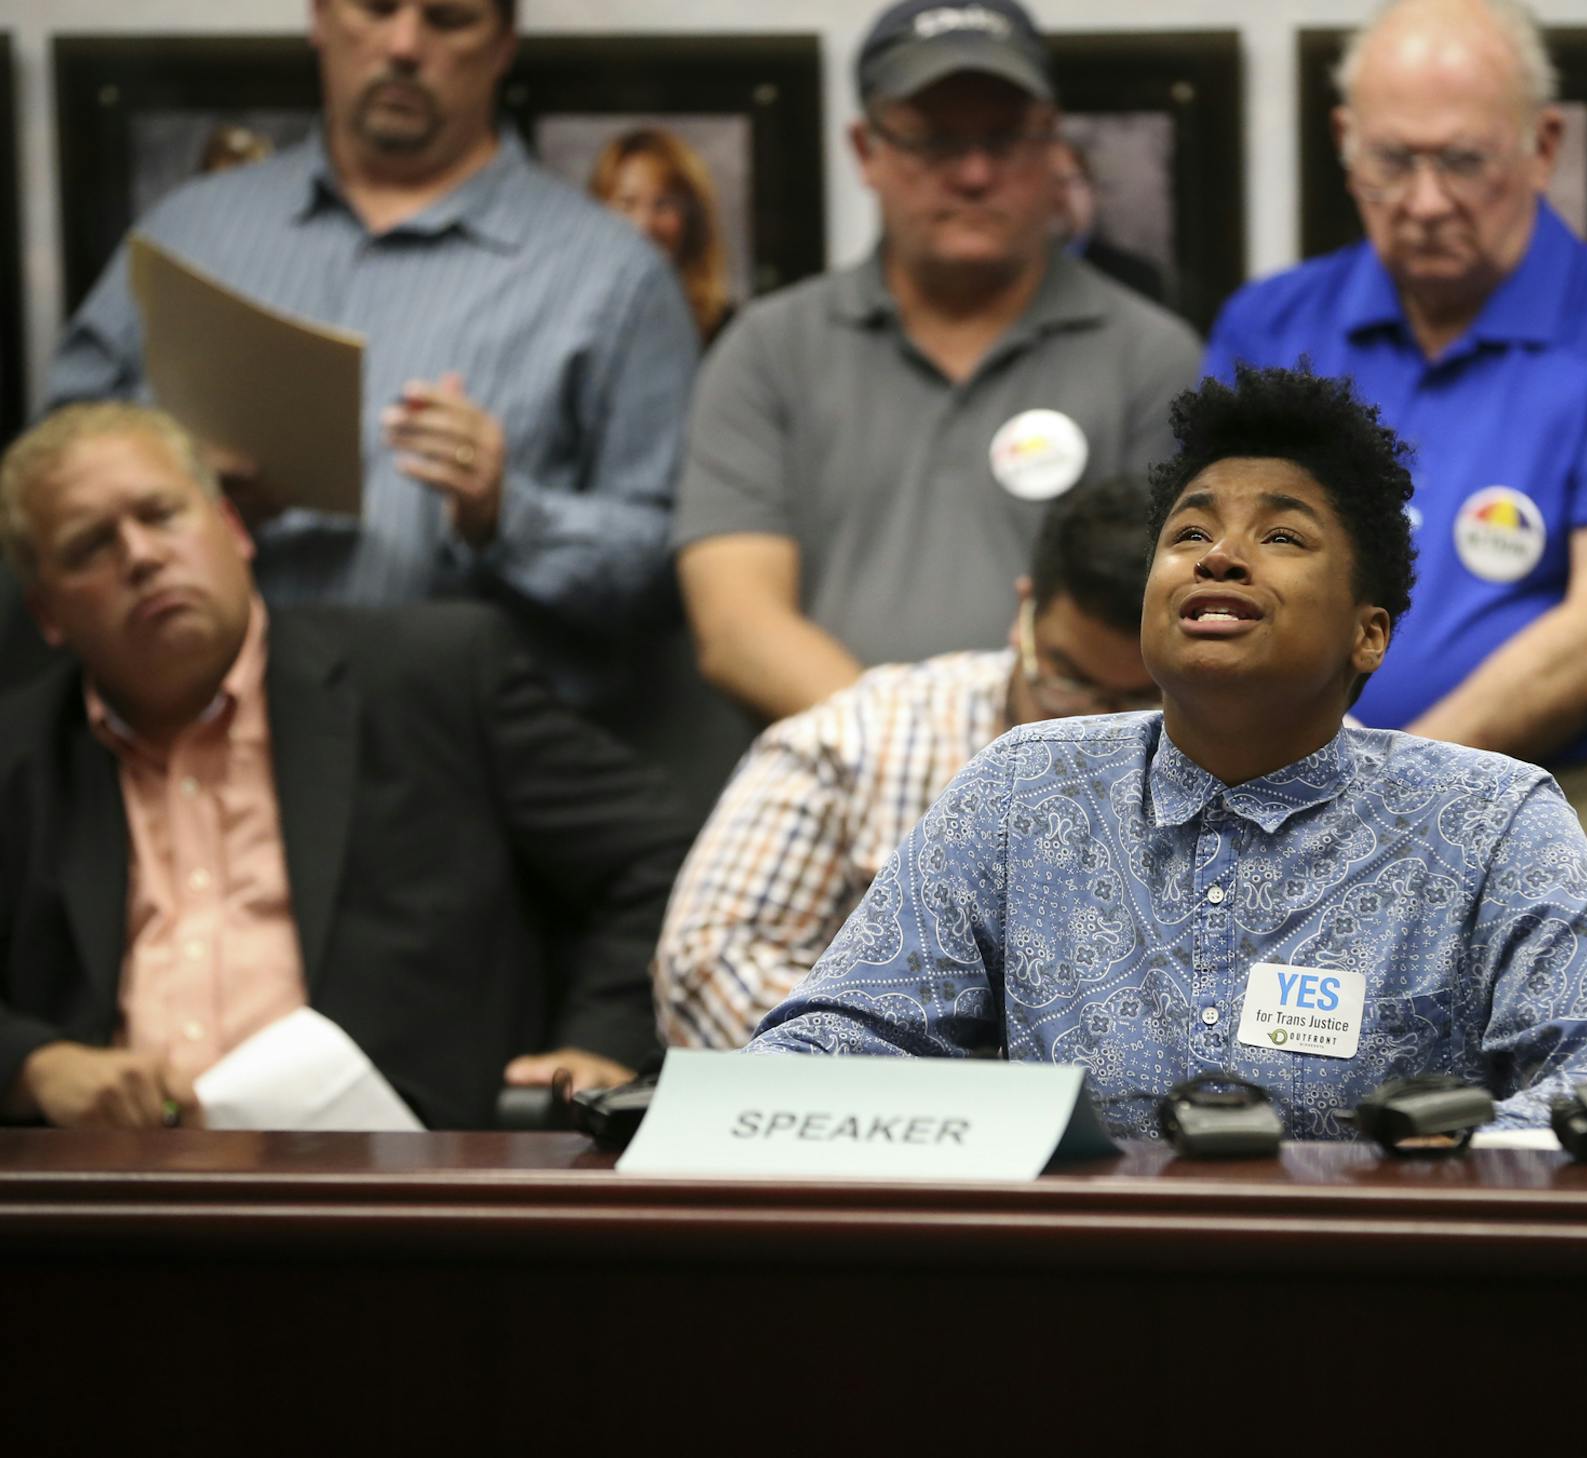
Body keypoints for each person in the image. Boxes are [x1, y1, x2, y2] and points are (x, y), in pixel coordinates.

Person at [747, 365, 1587, 1139]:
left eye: (1283, 537)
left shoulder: (1491, 817)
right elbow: (843, 1031)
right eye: (1191, 531)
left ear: (1368, 634)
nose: (1218, 556)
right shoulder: (1025, 787)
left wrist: (1424, 1170)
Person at [0, 403, 700, 1130]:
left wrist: (595, 1045)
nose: (140, 556)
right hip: (104, 1194)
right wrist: (30, 1064)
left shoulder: (433, 674)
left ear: (233, 530)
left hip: (401, 1181)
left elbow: (666, 857)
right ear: (47, 612)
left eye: (161, 514)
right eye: (90, 547)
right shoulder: (18, 754)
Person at [45, 0, 699, 711]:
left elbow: (671, 573)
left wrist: (505, 516)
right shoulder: (188, 234)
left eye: (450, 19)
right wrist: (166, 485)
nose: (406, 45)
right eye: (376, 8)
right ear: (320, 17)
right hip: (198, 742)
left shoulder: (615, 276)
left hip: (469, 756)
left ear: (504, 45)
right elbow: (44, 487)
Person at [1202, 0, 1587, 832]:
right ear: (1345, 142)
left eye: (1462, 161)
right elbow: (1220, 576)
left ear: (1543, 147)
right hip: (1276, 801)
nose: (1424, 201)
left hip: (1554, 804)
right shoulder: (1271, 326)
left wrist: (1377, 789)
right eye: (1390, 162)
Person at [673, 0, 1201, 726]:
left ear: (1053, 150)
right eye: (935, 142)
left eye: (1007, 138)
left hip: (1077, 792)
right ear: (866, 151)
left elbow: (1169, 623)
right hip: (834, 782)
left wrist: (1008, 777)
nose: (975, 173)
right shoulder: (768, 351)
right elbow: (737, 627)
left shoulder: (1153, 358)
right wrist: (913, 758)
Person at [656, 475, 1160, 1050]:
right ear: (1024, 615)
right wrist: (931, 1084)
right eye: (1068, 681)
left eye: (1144, 699)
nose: (1096, 720)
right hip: (889, 1112)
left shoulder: (1245, 765)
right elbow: (707, 960)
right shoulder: (856, 738)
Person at [589, 125, 732, 346]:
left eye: (664, 204)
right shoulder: (577, 320)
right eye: (627, 203)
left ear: (692, 217)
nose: (644, 225)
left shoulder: (727, 331)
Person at [1053, 140, 1168, 303]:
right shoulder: (1008, 277)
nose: (1059, 197)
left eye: (1071, 183)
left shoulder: (1136, 278)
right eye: (1049, 183)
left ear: (1093, 193)